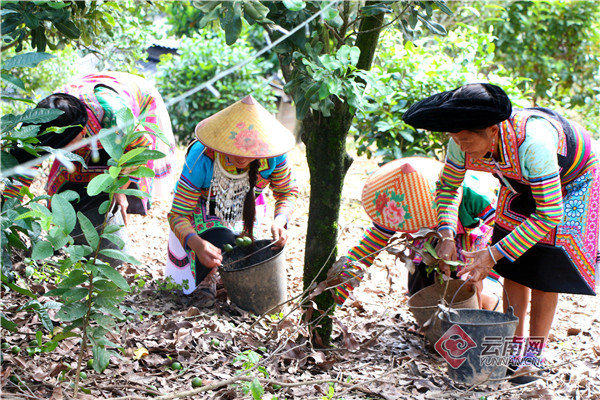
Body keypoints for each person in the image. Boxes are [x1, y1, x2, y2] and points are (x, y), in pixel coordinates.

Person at [402, 83, 599, 380]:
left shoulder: (533, 144)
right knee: (514, 267)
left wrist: (491, 254)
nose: (461, 145)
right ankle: (512, 344)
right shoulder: (462, 138)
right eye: (455, 138)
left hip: (572, 181)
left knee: (545, 268)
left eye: (467, 140)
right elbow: (449, 187)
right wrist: (445, 233)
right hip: (516, 182)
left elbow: (549, 214)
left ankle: (534, 353)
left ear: (493, 131)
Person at [165, 95, 299, 306]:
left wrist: (280, 220)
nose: (242, 157)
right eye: (234, 150)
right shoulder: (202, 156)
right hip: (202, 207)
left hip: (247, 207)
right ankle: (208, 279)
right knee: (223, 240)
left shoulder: (274, 155)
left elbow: (286, 192)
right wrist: (198, 244)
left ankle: (224, 277)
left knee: (247, 249)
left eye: (250, 152)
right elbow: (178, 214)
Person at [4, 71, 176, 225]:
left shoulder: (115, 114)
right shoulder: (51, 114)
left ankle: (115, 225)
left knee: (119, 169)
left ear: (84, 130)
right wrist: (7, 208)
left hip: (135, 95)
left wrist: (120, 190)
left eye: (66, 145)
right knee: (71, 171)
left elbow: (142, 147)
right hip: (89, 95)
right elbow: (28, 163)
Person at [333, 157, 501, 310]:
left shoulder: (472, 193)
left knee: (463, 281)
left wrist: (480, 262)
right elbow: (366, 250)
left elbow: (498, 227)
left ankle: (486, 302)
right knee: (420, 280)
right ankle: (431, 318)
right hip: (427, 241)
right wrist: (336, 293)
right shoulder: (394, 204)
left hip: (472, 236)